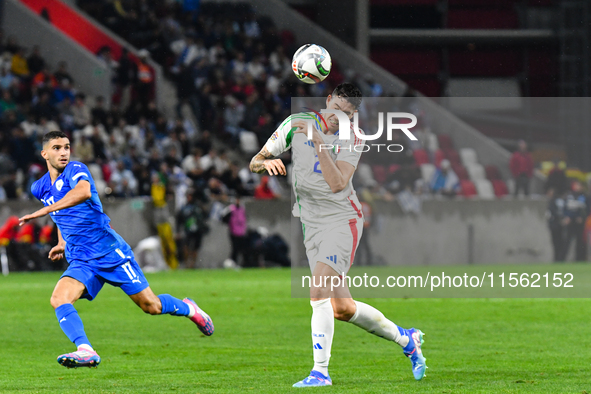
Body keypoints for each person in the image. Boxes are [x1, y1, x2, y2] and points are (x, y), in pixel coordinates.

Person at [249, 83, 427, 387]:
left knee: (317, 292)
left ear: (354, 115)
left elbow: (337, 183)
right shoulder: (296, 125)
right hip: (311, 224)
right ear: (328, 99)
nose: (337, 117)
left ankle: (320, 372)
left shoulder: (353, 137)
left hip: (342, 222)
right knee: (342, 308)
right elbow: (254, 161)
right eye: (335, 108)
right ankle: (407, 339)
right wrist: (266, 162)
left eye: (345, 114)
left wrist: (319, 143)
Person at [19, 131, 214, 369]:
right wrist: (61, 242)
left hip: (110, 252)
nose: (63, 152)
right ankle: (85, 349)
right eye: (57, 148)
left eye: (67, 147)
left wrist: (41, 213)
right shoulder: (39, 187)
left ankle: (189, 308)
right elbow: (61, 215)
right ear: (44, 153)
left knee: (151, 306)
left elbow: (82, 193)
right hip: (81, 258)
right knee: (59, 298)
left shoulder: (76, 170)